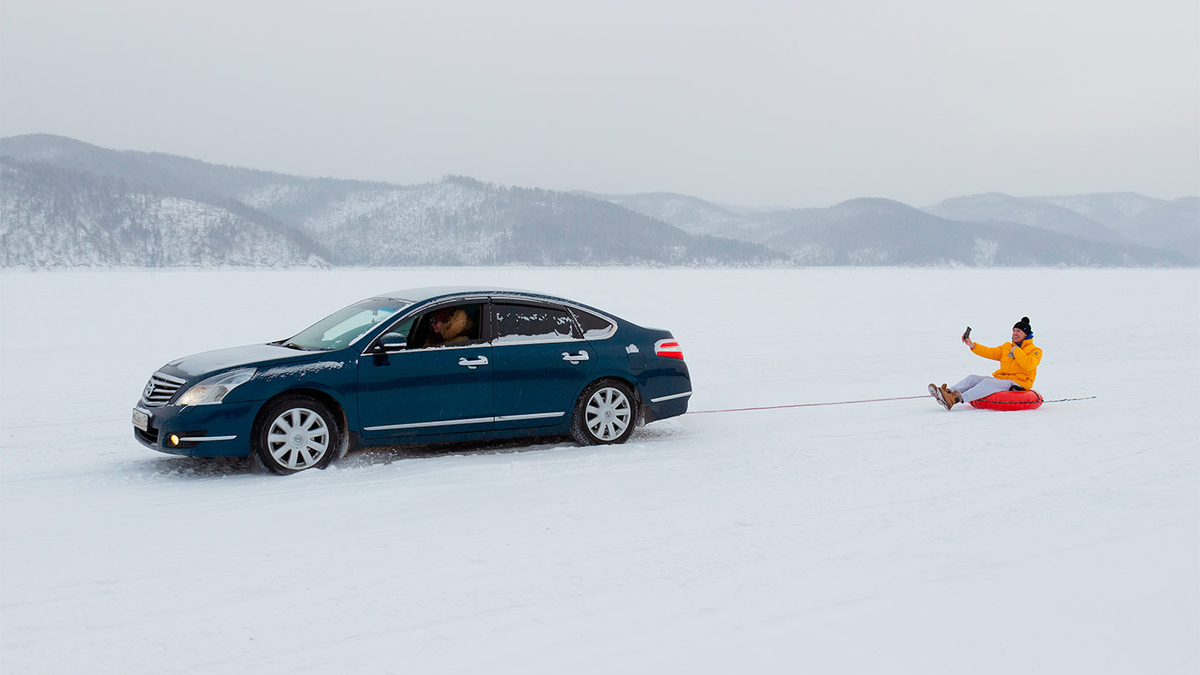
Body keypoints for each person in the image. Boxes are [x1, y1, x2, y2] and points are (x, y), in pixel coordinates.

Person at [929, 317, 1043, 410]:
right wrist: (972, 345)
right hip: (1003, 379)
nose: (1014, 333)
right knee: (972, 378)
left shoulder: (1035, 350)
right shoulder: (1007, 347)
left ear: (1026, 334)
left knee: (988, 383)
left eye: (1018, 331)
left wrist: (1017, 351)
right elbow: (990, 352)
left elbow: (1028, 365)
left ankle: (954, 399)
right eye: (1014, 330)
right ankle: (946, 392)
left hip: (1019, 382)